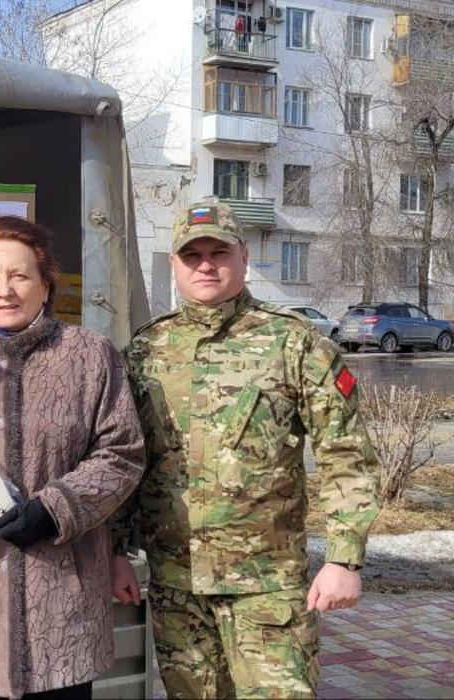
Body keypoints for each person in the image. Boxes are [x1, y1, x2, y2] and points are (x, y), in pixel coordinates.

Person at [121, 200, 381, 699]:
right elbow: (124, 456)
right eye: (191, 254)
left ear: (243, 256)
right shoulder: (147, 349)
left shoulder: (294, 342)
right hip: (178, 586)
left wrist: (345, 559)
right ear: (174, 264)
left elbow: (346, 453)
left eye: (218, 251)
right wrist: (115, 550)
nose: (205, 264)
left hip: (266, 588)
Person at [0, 216, 145, 700]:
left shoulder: (90, 356)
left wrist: (54, 508)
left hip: (59, 601)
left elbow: (121, 453)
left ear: (45, 282)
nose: (5, 291)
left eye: (19, 276)